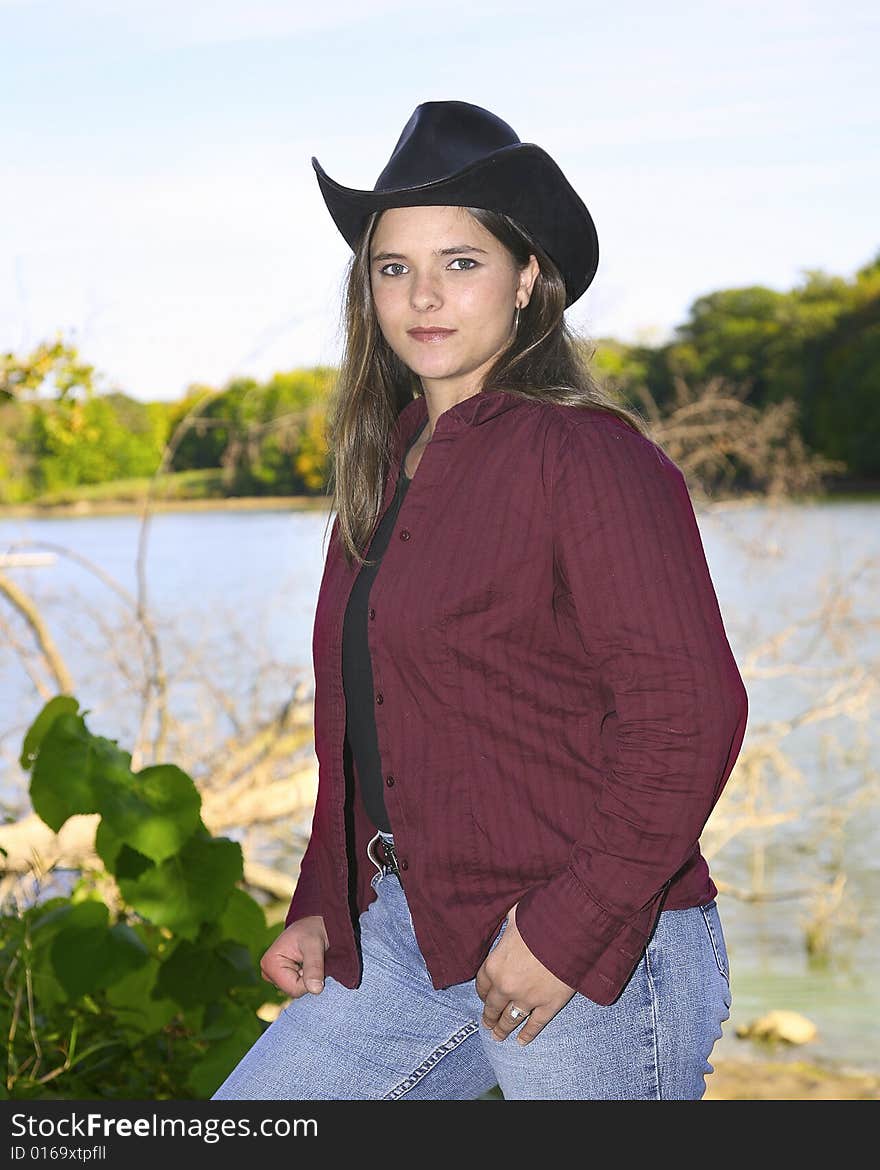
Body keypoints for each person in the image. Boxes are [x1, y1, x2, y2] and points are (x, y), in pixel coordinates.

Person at [211, 100, 748, 1101]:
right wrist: (322, 900)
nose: (422, 295)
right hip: (410, 935)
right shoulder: (384, 469)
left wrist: (564, 930)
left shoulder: (586, 455)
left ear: (527, 279)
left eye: (461, 263)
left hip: (591, 954)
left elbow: (690, 714)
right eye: (392, 266)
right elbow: (368, 721)